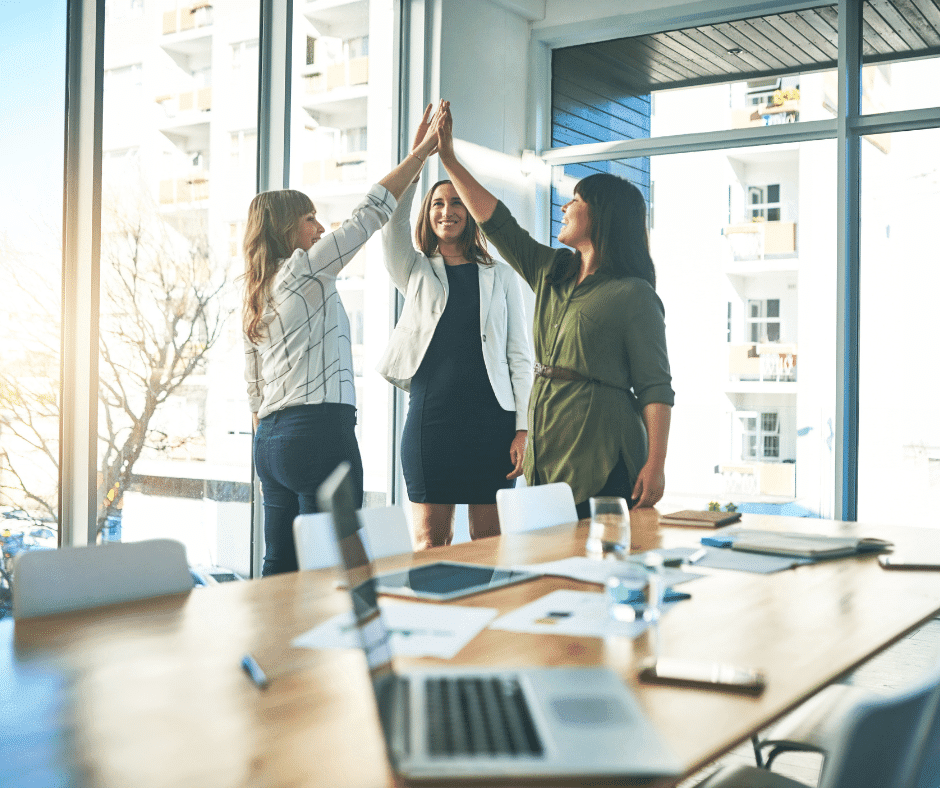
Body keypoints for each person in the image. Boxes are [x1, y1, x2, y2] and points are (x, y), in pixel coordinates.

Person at [435, 102, 674, 519]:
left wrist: (656, 465)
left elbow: (655, 388)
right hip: (549, 437)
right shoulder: (551, 271)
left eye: (575, 200)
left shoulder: (634, 294)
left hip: (603, 444)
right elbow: (498, 223)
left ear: (601, 216)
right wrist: (449, 159)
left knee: (597, 563)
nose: (564, 207)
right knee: (549, 558)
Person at [242, 106, 444, 575]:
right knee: (333, 568)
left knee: (281, 564)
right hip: (317, 434)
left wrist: (277, 434)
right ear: (286, 228)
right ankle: (329, 646)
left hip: (270, 442)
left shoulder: (255, 287)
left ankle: (277, 649)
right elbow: (368, 215)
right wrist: (419, 155)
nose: (319, 228)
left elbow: (252, 385)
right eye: (310, 219)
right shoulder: (304, 268)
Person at [377, 103, 533, 549]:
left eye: (456, 203)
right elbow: (391, 225)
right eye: (438, 204)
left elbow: (519, 356)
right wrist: (419, 156)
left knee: (488, 540)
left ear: (469, 213)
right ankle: (436, 619)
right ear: (428, 214)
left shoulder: (501, 276)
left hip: (493, 423)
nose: (447, 211)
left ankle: (484, 618)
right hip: (432, 423)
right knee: (430, 540)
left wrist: (524, 427)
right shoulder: (414, 271)